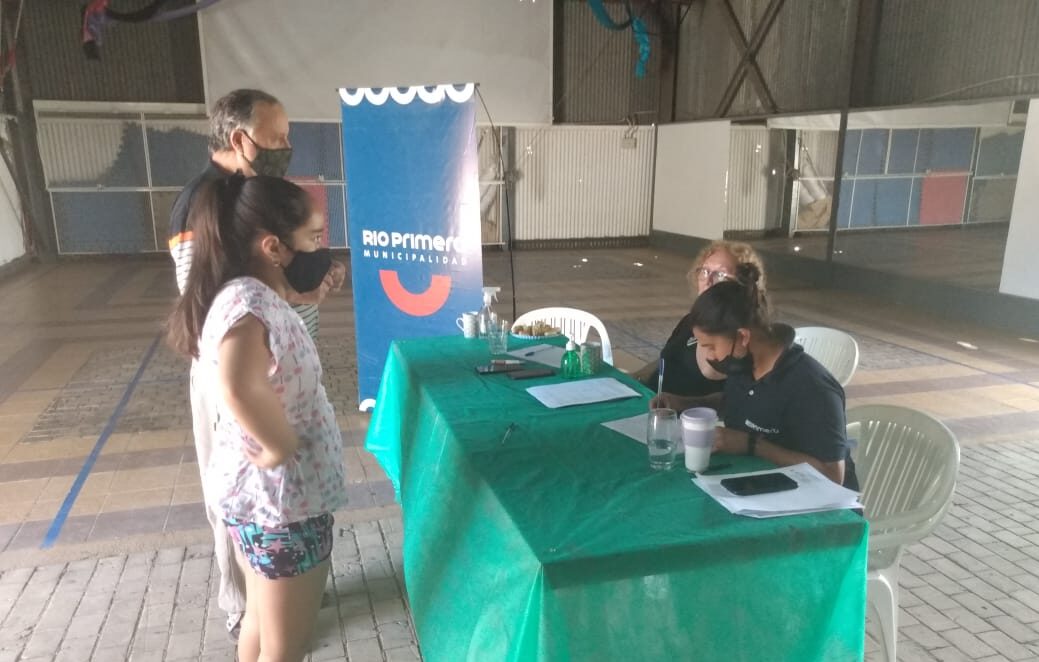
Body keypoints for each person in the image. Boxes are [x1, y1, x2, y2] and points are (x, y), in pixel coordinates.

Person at [168, 89, 343, 640]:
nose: (287, 145)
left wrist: (300, 294)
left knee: (266, 624)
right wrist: (278, 443)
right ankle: (241, 600)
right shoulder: (209, 205)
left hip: (275, 481)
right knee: (273, 630)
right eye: (279, 136)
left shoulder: (248, 198)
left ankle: (262, 606)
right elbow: (228, 345)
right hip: (276, 503)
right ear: (242, 139)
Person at [653, 263, 858, 489]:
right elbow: (738, 402)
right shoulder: (746, 363)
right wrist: (684, 403)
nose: (709, 356)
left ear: (743, 337)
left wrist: (752, 445)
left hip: (811, 501)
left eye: (711, 346)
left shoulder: (811, 387)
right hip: (752, 484)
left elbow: (833, 476)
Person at [636, 241, 766, 397]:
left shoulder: (738, 340)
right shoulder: (690, 321)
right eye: (704, 271)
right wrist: (634, 377)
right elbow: (666, 359)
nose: (708, 281)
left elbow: (734, 397)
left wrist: (683, 403)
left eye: (720, 275)